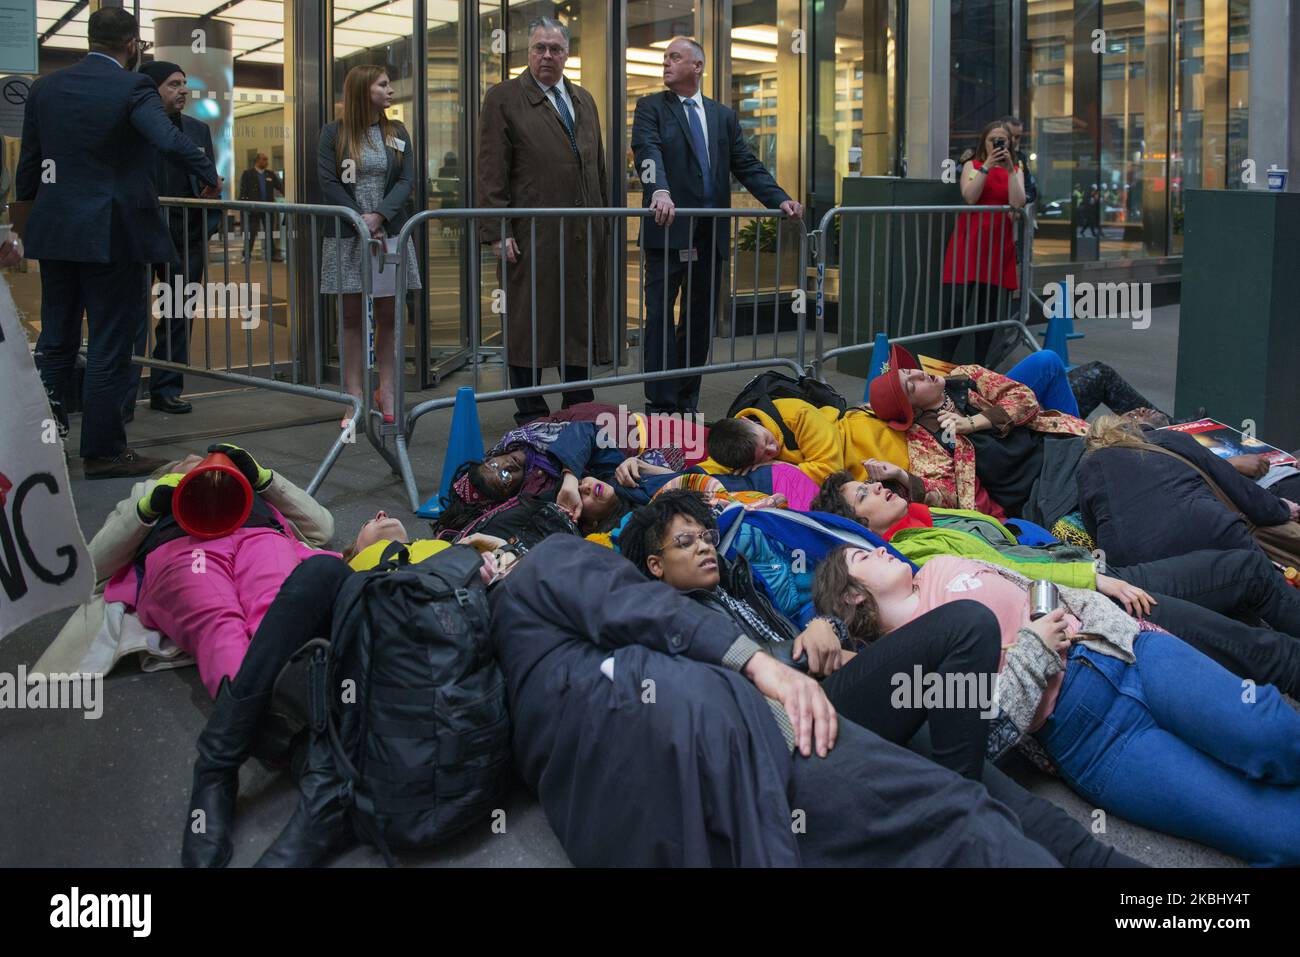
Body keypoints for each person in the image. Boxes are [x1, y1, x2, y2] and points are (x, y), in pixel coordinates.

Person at [491, 533, 1064, 866]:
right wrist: (792, 649)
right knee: (961, 813)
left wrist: (821, 635)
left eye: (705, 535)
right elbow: (641, 611)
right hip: (773, 717)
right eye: (684, 541)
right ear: (654, 568)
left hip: (792, 705)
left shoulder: (739, 583)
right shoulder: (647, 609)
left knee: (975, 802)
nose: (705, 546)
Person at [814, 545, 1300, 865]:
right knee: (1277, 837)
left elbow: (1046, 588)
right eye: (864, 554)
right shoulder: (904, 671)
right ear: (853, 594)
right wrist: (1032, 647)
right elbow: (993, 731)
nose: (880, 547)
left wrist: (1117, 624)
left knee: (1271, 732)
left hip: (1126, 656)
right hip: (1091, 740)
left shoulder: (942, 564)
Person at [16, 7, 221, 478]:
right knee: (110, 342)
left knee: (56, 341)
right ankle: (104, 451)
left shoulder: (44, 87)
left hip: (57, 234)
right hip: (115, 233)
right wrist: (206, 171)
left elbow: (30, 165)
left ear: (90, 38)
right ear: (133, 44)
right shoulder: (134, 87)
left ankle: (47, 444)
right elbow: (166, 138)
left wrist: (19, 228)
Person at [632, 37, 803, 416]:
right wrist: (658, 189)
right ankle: (660, 404)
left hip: (710, 236)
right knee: (660, 318)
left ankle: (686, 399)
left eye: (675, 58)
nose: (666, 64)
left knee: (698, 321)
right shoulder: (651, 108)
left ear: (697, 66)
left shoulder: (721, 115)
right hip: (668, 230)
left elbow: (745, 164)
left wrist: (780, 199)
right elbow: (647, 150)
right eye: (664, 58)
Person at [477, 17, 611, 426]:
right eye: (539, 48)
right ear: (528, 52)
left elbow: (597, 167)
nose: (547, 56)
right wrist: (498, 231)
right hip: (531, 234)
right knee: (527, 321)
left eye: (555, 48)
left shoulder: (583, 99)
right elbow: (490, 169)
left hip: (581, 232)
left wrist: (603, 220)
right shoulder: (503, 98)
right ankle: (531, 412)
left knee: (578, 317)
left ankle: (577, 405)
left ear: (567, 54)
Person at [868, 342, 1088, 523]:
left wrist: (973, 423)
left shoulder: (965, 376)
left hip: (1053, 447)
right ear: (914, 410)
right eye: (912, 387)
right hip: (1035, 493)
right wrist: (901, 476)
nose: (920, 375)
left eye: (908, 371)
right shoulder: (925, 436)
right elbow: (945, 493)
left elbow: (1024, 398)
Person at [318, 64, 420, 425]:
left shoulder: (397, 131)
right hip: (348, 235)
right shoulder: (334, 133)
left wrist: (379, 216)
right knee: (349, 318)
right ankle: (354, 397)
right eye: (383, 84)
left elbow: (407, 180)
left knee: (389, 316)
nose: (390, 90)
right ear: (364, 90)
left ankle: (387, 391)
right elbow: (328, 182)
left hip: (388, 233)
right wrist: (359, 219)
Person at [123, 61, 219, 420]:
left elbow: (211, 184)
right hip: (140, 236)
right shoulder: (134, 129)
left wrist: (206, 226)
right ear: (151, 89)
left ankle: (166, 389)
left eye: (184, 84)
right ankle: (125, 395)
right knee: (133, 318)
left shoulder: (197, 129)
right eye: (173, 84)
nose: (183, 90)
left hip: (185, 236)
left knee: (178, 315)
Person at [938, 121, 1025, 366]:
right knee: (956, 306)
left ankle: (979, 369)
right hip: (969, 244)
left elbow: (1018, 203)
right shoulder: (971, 165)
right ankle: (943, 365)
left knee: (986, 313)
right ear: (984, 142)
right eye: (993, 140)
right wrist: (986, 166)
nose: (998, 144)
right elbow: (969, 196)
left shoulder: (1015, 169)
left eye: (1003, 140)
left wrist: (1009, 171)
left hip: (996, 248)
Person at [703, 397, 908, 484]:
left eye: (767, 439)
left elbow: (829, 472)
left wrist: (776, 466)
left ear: (748, 420)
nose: (772, 450)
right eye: (764, 455)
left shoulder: (796, 414)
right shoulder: (734, 449)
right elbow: (708, 470)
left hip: (879, 447)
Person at [237, 152, 284, 262]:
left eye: (267, 160)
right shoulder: (248, 174)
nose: (266, 162)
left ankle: (272, 255)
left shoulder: (270, 175)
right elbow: (243, 190)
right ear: (258, 160)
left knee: (269, 232)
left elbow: (280, 187)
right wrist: (244, 206)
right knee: (251, 232)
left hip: (268, 209)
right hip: (253, 209)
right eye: (264, 159)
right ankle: (246, 255)